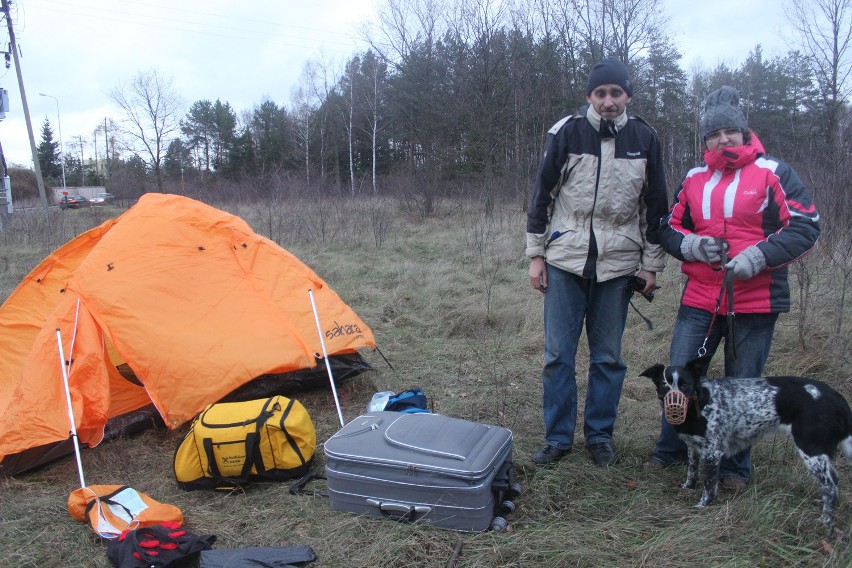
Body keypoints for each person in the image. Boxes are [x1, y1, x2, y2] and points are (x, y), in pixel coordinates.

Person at [643, 86, 821, 488]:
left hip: (755, 303)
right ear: (705, 139)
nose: (722, 140)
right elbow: (667, 227)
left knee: (742, 388)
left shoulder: (773, 172)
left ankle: (733, 468)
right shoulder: (694, 178)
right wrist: (691, 245)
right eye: (713, 134)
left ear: (744, 132)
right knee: (679, 380)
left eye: (730, 132)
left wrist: (757, 257)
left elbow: (806, 226)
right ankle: (670, 451)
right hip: (700, 301)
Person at [526, 58, 669, 467]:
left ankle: (600, 436)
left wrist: (651, 266)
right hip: (565, 262)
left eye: (616, 93)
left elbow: (655, 207)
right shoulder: (566, 133)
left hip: (619, 267)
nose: (608, 101)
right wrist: (537, 256)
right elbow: (542, 198)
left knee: (608, 358)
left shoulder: (645, 137)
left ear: (628, 96)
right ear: (589, 96)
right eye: (601, 93)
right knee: (558, 356)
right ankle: (557, 439)